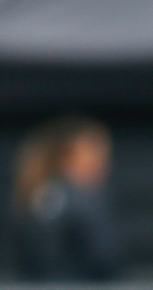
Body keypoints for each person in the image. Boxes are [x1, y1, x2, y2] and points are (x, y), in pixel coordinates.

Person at [12, 116, 121, 281]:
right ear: (67, 157)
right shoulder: (56, 198)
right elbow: (44, 259)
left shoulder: (83, 198)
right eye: (94, 154)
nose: (103, 163)